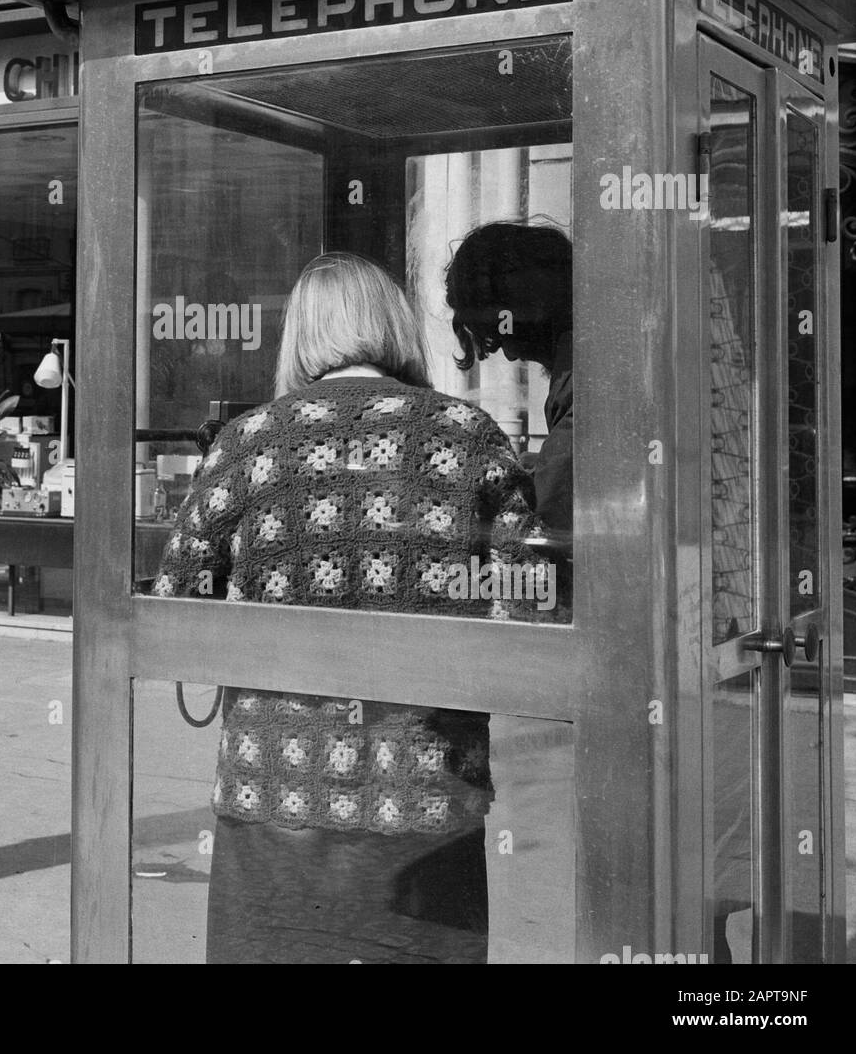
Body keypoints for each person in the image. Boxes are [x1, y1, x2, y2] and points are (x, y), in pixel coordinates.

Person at [153, 251, 556, 964]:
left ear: (301, 334)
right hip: (428, 796)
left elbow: (175, 609)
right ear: (393, 325)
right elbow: (527, 607)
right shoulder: (469, 436)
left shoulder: (247, 443)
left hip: (274, 791)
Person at [443, 222, 572, 558]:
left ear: (536, 307)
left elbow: (546, 524)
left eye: (508, 336)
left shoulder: (581, 382)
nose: (513, 354)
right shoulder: (579, 370)